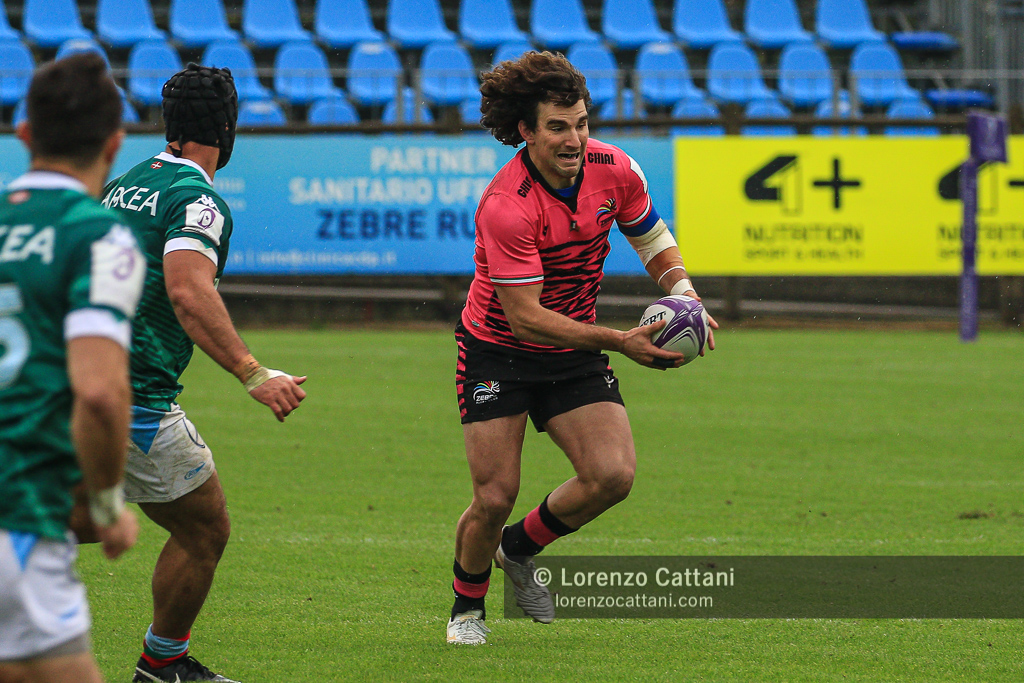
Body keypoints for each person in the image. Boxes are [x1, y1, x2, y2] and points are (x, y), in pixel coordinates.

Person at [446, 51, 718, 645]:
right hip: (499, 350)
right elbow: (525, 319)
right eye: (558, 127)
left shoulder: (615, 169)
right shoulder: (507, 204)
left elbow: (651, 238)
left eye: (582, 123)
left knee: (611, 475)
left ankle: (518, 549)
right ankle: (467, 610)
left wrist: (686, 295)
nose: (574, 140)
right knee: (495, 495)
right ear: (526, 130)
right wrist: (621, 341)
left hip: (571, 346)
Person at [101, 63, 307, 683]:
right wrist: (253, 372)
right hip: (133, 394)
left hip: (79, 377)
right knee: (203, 528)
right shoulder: (198, 199)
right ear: (226, 129)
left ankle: (164, 663)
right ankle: (162, 664)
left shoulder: (127, 183)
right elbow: (188, 291)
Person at [0, 53, 145, 682]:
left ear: (25, 134)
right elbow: (101, 394)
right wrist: (109, 507)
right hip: (19, 512)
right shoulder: (97, 237)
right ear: (114, 144)